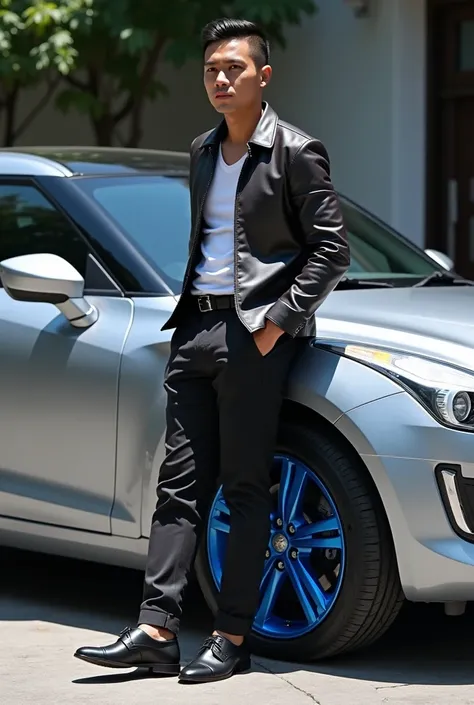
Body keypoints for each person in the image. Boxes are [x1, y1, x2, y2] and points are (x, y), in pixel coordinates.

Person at [74, 17, 350, 684]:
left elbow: (331, 249)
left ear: (264, 75)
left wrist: (275, 323)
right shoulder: (201, 149)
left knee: (247, 487)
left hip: (252, 334)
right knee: (180, 487)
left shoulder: (295, 150)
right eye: (211, 71)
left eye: (234, 68)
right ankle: (157, 628)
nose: (220, 79)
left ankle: (231, 636)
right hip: (194, 332)